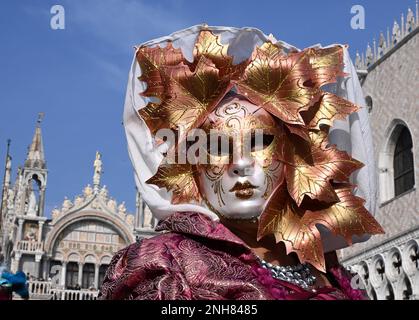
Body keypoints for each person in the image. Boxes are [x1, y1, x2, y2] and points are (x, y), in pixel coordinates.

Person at [99, 25, 384, 300]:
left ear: (293, 157)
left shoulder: (330, 271)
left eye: (260, 142)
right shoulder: (165, 267)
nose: (240, 163)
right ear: (191, 165)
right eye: (217, 147)